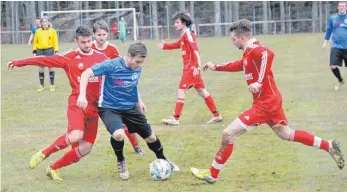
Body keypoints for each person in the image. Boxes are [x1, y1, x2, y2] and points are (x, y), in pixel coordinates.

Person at [190, 19, 345, 184]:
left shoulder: (257, 49)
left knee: (228, 133)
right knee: (286, 134)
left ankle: (212, 174)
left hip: (265, 104)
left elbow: (268, 54)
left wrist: (259, 82)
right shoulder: (249, 52)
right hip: (270, 101)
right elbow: (241, 64)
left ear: (242, 38)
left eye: (233, 39)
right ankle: (328, 145)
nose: (232, 42)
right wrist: (216, 67)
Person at [7, 26, 109, 181]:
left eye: (89, 41)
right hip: (77, 103)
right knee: (76, 136)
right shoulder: (69, 57)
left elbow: (117, 70)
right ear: (76, 41)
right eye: (83, 42)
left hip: (94, 108)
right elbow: (42, 59)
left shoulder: (101, 58)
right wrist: (18, 62)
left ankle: (53, 168)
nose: (87, 45)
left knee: (86, 147)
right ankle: (44, 153)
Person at [77, 42, 180, 180]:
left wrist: (139, 100)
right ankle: (121, 160)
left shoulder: (137, 68)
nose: (139, 65)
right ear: (129, 56)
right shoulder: (111, 65)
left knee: (151, 137)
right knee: (119, 134)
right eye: (137, 61)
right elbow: (86, 73)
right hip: (109, 108)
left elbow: (133, 84)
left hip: (131, 108)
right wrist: (82, 95)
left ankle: (163, 160)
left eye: (141, 62)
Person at [158, 13, 222, 125]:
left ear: (184, 23)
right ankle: (216, 115)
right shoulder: (184, 36)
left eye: (177, 22)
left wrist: (197, 66)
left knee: (181, 90)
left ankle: (175, 118)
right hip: (192, 68)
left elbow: (195, 50)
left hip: (191, 69)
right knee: (202, 91)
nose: (175, 25)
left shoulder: (188, 35)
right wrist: (165, 46)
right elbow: (177, 44)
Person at [92, 20, 145, 155]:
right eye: (98, 34)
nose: (101, 37)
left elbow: (123, 71)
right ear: (94, 35)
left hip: (113, 90)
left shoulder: (112, 49)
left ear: (108, 34)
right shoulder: (89, 48)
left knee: (125, 121)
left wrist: (138, 99)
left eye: (104, 34)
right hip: (95, 90)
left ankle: (136, 145)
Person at [322, 1, 347, 91]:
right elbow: (329, 30)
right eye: (340, 6)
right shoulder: (333, 18)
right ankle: (340, 80)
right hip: (336, 46)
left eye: (343, 6)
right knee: (332, 65)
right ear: (338, 7)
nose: (342, 7)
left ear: (346, 7)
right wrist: (325, 41)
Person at [33, 17, 59, 92]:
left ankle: (52, 85)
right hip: (40, 50)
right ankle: (41, 85)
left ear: (48, 23)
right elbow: (35, 42)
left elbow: (55, 41)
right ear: (41, 23)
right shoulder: (38, 31)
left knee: (50, 67)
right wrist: (34, 51)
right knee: (41, 68)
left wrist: (56, 51)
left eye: (46, 21)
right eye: (43, 22)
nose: (44, 23)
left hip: (49, 50)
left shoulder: (53, 31)